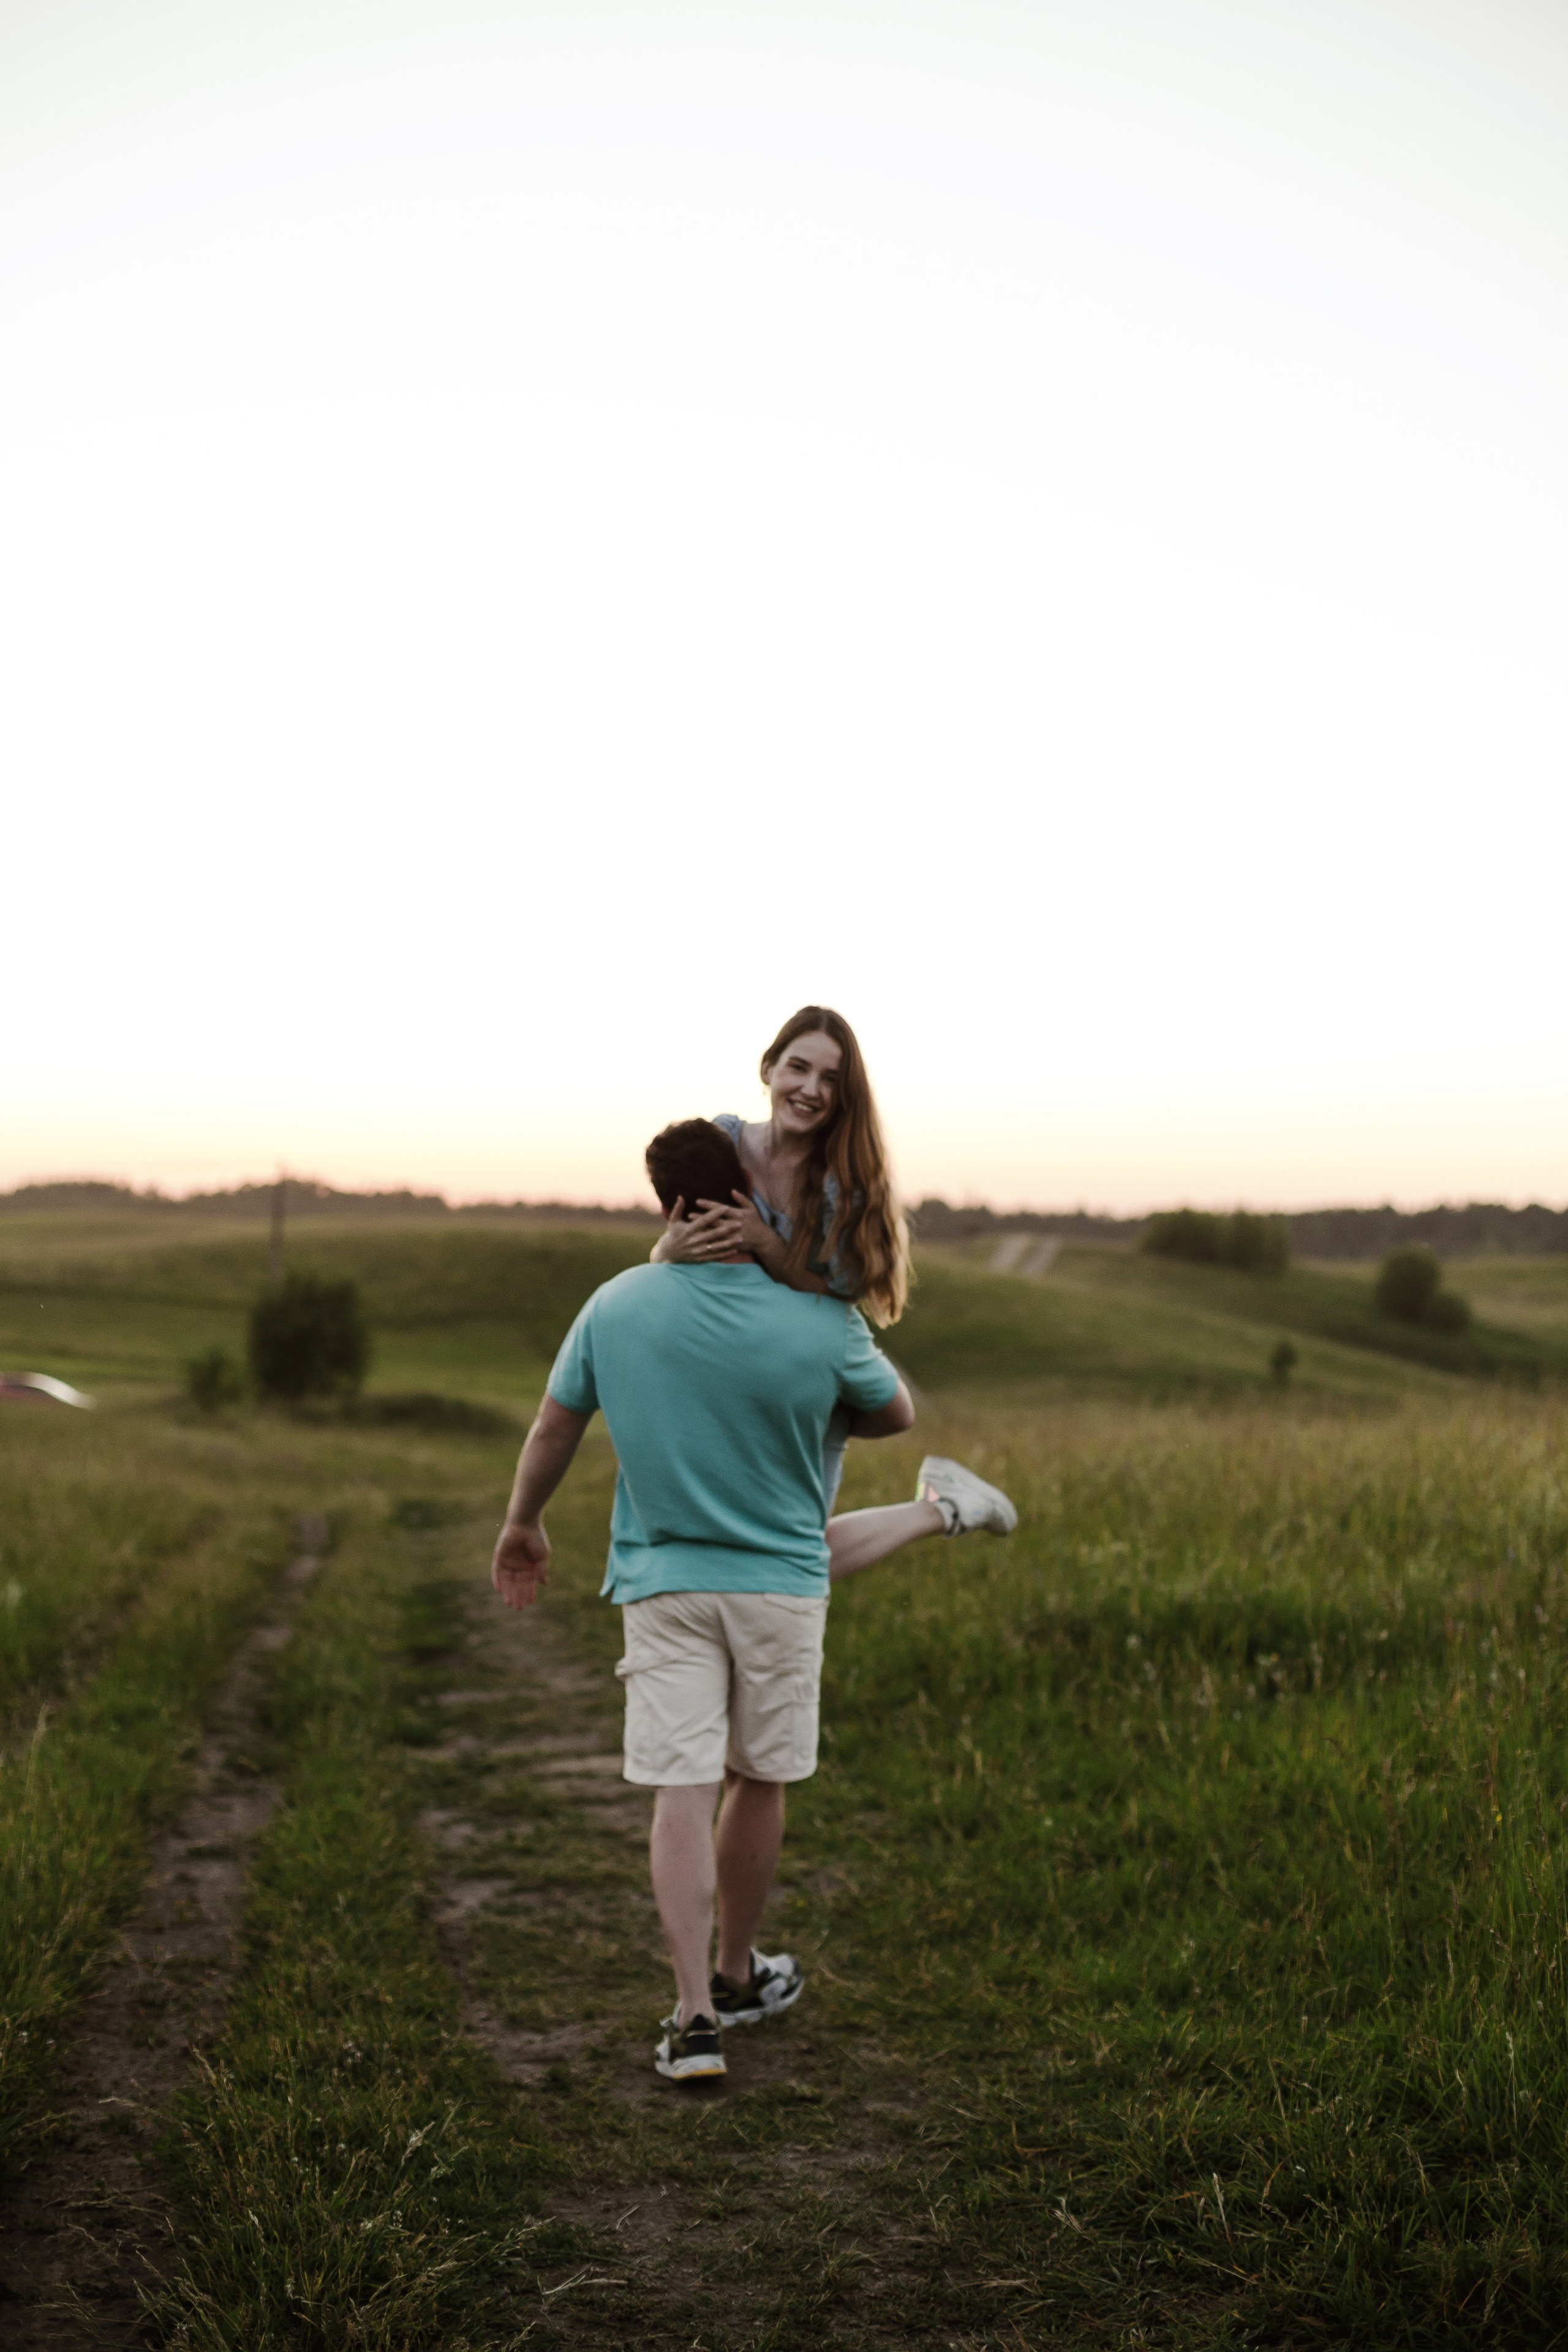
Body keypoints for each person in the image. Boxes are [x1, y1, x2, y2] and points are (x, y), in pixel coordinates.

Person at [490, 1118, 938, 2083]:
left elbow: (554, 1426)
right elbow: (896, 1413)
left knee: (681, 1790)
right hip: (781, 1587)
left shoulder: (615, 1306)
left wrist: (523, 1522)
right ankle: (740, 1971)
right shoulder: (822, 1323)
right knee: (759, 1777)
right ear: (743, 1191)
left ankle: (694, 2017)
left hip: (665, 1585)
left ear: (667, 1207)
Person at [651, 1005, 1016, 1563]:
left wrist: (770, 1244)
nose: (810, 1089)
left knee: (796, 1550)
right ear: (768, 1068)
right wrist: (663, 1252)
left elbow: (836, 1296)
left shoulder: (841, 1184)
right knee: (752, 1546)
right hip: (730, 1354)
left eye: (830, 1080)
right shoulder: (723, 1140)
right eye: (798, 1068)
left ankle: (944, 1508)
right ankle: (944, 1506)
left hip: (807, 1358)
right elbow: (682, 1243)